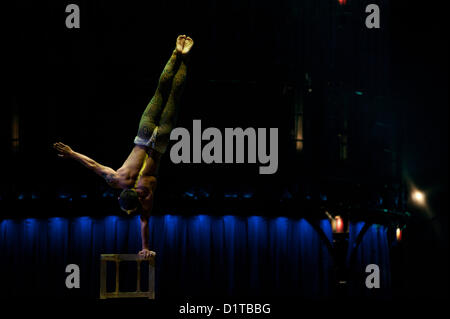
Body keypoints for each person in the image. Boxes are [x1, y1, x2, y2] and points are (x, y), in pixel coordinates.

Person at [53, 35, 194, 258]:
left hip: (160, 144)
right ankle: (177, 52)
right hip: (143, 136)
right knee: (160, 92)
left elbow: (145, 222)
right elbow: (92, 165)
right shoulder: (116, 180)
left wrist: (145, 247)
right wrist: (71, 154)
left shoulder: (146, 197)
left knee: (175, 98)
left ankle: (184, 57)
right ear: (119, 197)